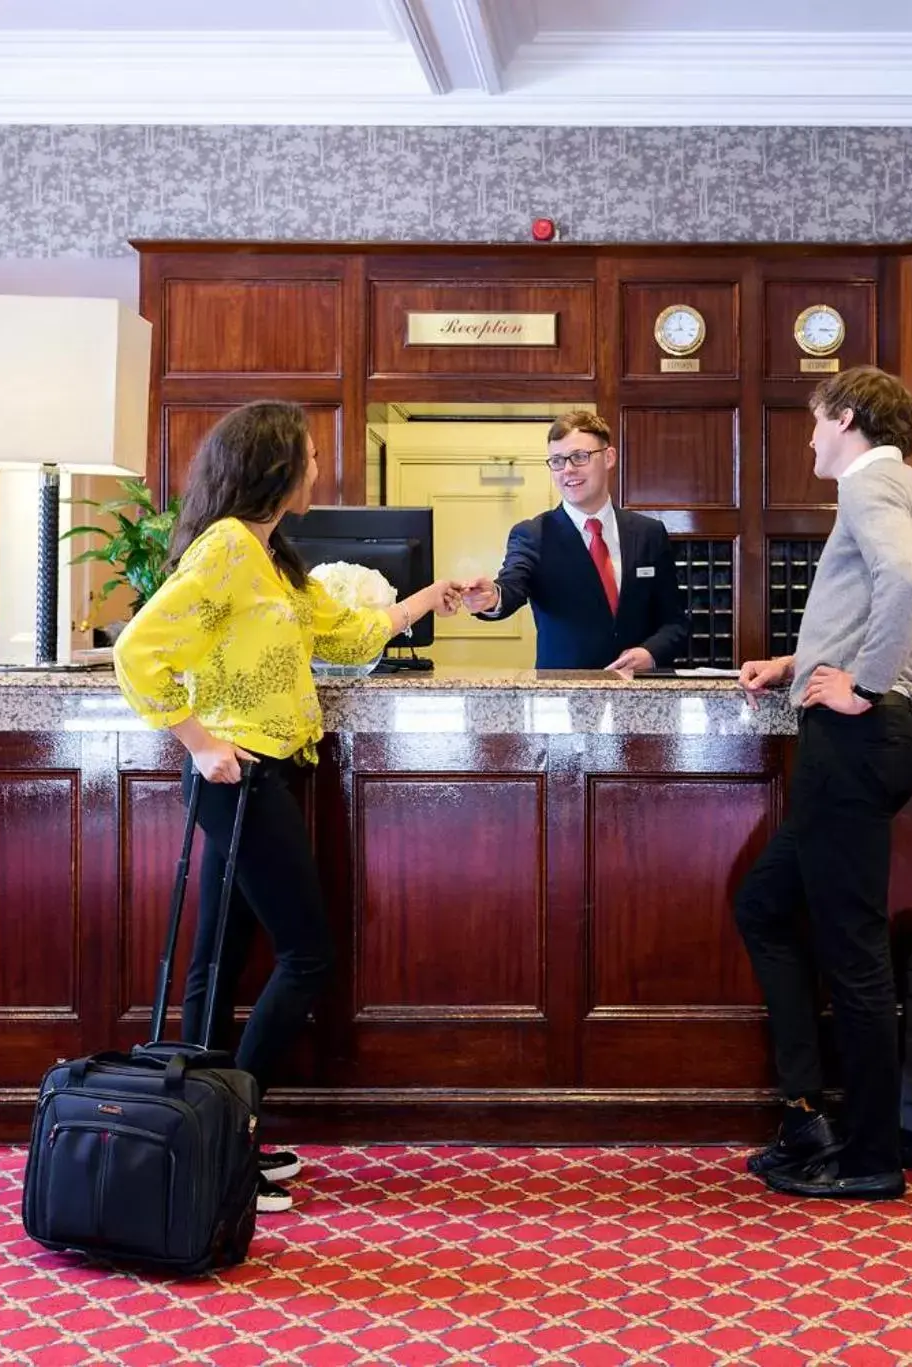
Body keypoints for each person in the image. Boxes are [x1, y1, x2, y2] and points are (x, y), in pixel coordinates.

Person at [113, 400, 461, 1214]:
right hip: (242, 774)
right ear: (274, 464)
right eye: (307, 456)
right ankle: (231, 1130)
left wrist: (429, 599)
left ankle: (205, 1135)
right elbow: (140, 651)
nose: (317, 469)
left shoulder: (269, 556)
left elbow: (341, 633)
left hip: (263, 773)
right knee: (307, 954)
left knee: (219, 963)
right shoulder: (230, 548)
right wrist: (198, 741)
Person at [732, 366, 912, 1201]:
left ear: (847, 418)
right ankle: (810, 1117)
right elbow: (874, 596)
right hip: (869, 740)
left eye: (816, 422)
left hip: (857, 737)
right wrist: (796, 662)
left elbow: (904, 581)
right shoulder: (904, 483)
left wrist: (859, 684)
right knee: (763, 904)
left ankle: (870, 1157)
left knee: (853, 952)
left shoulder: (867, 484)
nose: (812, 438)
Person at [458, 410, 688, 673]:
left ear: (609, 457)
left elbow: (675, 622)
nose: (568, 469)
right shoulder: (533, 534)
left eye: (579, 457)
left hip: (640, 694)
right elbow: (512, 585)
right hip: (564, 698)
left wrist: (650, 652)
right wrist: (493, 597)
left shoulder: (649, 533)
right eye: (557, 460)